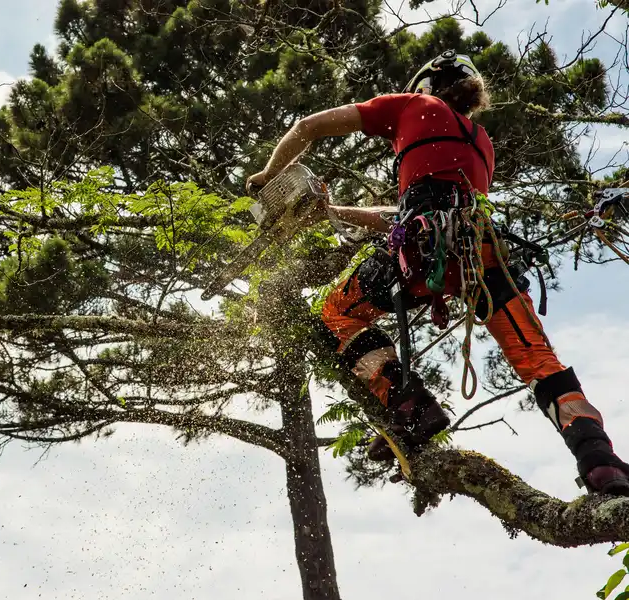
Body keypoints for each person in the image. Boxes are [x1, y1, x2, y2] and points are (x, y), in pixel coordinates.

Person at [247, 50, 629, 496]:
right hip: (483, 257)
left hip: (425, 248)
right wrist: (332, 212)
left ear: (426, 86)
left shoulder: (409, 106)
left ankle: (411, 405)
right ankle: (601, 463)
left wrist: (267, 174)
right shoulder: (480, 140)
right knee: (541, 364)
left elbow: (307, 127)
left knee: (337, 313)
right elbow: (407, 209)